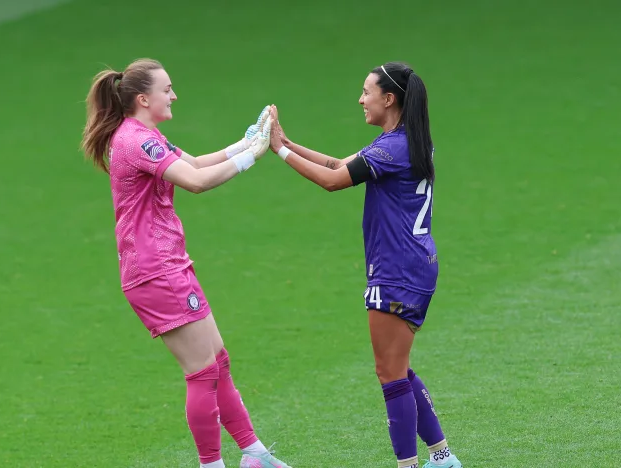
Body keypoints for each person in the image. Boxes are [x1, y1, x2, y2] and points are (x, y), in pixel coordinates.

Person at [81, 58, 291, 468]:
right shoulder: (135, 140)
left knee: (218, 361)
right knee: (201, 372)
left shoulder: (144, 135)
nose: (174, 95)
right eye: (167, 89)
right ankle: (211, 464)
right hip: (156, 271)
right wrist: (254, 157)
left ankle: (254, 454)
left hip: (168, 265)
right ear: (144, 98)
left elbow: (195, 163)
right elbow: (195, 183)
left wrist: (248, 142)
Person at [268, 62, 462, 468]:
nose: (360, 99)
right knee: (398, 367)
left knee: (389, 373)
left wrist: (278, 151)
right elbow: (340, 165)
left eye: (366, 92)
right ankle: (442, 457)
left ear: (388, 99)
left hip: (396, 271)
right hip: (416, 265)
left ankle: (408, 464)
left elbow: (332, 182)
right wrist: (288, 141)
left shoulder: (390, 149)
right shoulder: (405, 142)